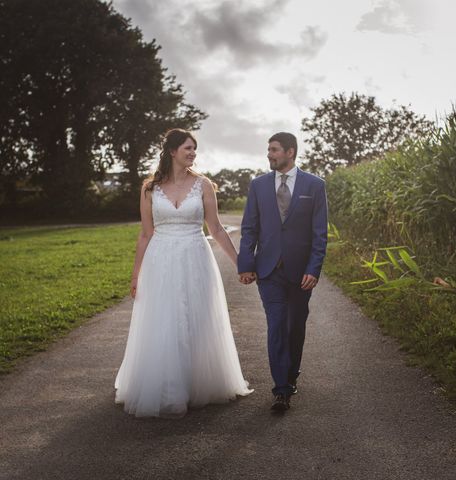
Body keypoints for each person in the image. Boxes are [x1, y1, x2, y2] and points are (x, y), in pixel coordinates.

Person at [115, 128, 253, 417]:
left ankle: (195, 384)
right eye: (188, 148)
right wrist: (135, 275)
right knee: (163, 321)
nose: (193, 153)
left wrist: (240, 263)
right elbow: (145, 234)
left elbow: (214, 229)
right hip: (159, 260)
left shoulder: (203, 185)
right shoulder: (149, 188)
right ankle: (165, 387)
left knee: (195, 318)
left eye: (195, 149)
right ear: (172, 151)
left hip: (195, 257)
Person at [238, 132, 328, 412]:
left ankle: (291, 373)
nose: (269, 155)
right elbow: (249, 228)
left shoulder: (314, 185)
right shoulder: (258, 185)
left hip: (301, 272)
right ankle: (281, 389)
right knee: (276, 325)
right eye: (268, 150)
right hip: (268, 271)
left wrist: (314, 269)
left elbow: (319, 233)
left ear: (290, 152)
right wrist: (246, 264)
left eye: (274, 150)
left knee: (295, 326)